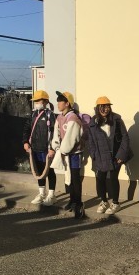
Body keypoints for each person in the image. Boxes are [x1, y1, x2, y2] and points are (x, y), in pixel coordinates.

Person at [87, 96, 132, 215]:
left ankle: (115, 203)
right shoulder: (93, 122)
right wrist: (94, 155)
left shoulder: (117, 120)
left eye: (107, 106)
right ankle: (104, 201)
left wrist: (121, 155)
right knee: (100, 179)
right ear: (97, 108)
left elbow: (125, 138)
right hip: (100, 156)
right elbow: (90, 141)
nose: (105, 109)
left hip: (115, 156)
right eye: (102, 106)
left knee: (113, 178)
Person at [51, 91, 85, 219]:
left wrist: (62, 150)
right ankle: (72, 200)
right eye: (58, 101)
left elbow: (72, 137)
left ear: (67, 103)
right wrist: (56, 146)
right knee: (68, 177)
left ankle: (78, 203)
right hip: (64, 152)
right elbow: (56, 133)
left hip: (75, 153)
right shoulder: (59, 117)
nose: (58, 103)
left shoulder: (73, 118)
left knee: (75, 178)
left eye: (61, 101)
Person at [23, 90, 57, 206]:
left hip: (47, 149)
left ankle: (51, 195)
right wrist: (25, 142)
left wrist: (52, 148)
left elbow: (54, 132)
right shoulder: (33, 114)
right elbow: (27, 128)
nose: (36, 103)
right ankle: (42, 193)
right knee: (38, 171)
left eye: (38, 100)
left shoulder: (50, 115)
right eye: (35, 101)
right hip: (35, 148)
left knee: (50, 171)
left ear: (46, 101)